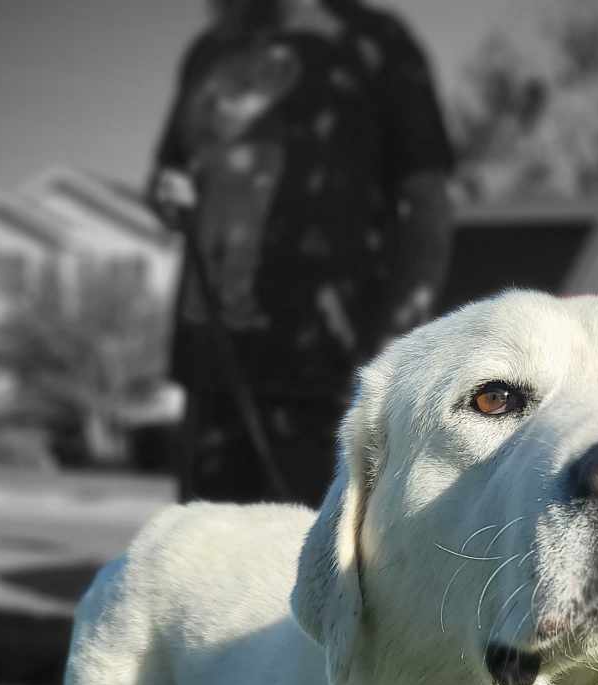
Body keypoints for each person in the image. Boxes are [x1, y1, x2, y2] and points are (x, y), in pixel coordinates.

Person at [148, 0, 456, 506]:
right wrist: (166, 194)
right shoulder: (210, 49)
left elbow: (428, 201)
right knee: (207, 561)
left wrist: (398, 345)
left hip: (325, 368)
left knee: (306, 562)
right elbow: (172, 174)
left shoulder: (376, 43)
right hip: (211, 359)